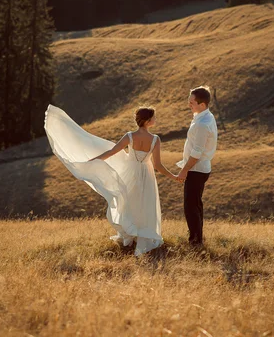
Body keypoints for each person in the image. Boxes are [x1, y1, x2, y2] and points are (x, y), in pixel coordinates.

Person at [44, 105, 177, 256]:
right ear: (147, 121)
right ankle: (142, 237)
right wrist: (174, 176)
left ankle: (130, 235)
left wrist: (93, 162)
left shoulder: (130, 136)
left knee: (129, 202)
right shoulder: (155, 140)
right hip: (146, 175)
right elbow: (158, 165)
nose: (155, 119)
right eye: (153, 117)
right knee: (145, 204)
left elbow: (112, 152)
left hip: (130, 172)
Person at [176, 86, 218, 246]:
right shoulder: (204, 116)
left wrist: (184, 170)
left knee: (190, 206)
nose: (189, 104)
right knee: (196, 204)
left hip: (196, 169)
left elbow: (197, 152)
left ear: (202, 104)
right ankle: (197, 237)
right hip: (201, 168)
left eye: (192, 102)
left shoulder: (202, 123)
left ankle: (195, 240)